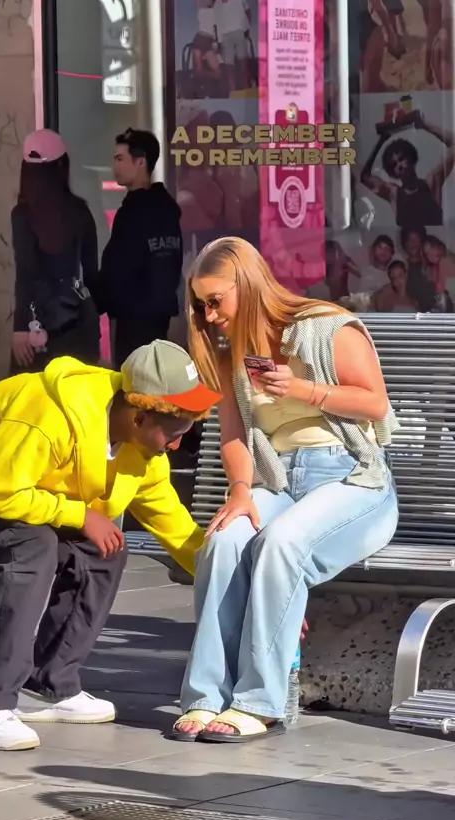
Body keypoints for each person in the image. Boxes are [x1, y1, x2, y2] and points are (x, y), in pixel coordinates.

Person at [171, 237, 399, 743]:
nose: (210, 316)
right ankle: (206, 696)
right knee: (225, 541)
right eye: (201, 306)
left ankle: (261, 701)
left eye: (216, 302)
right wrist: (239, 490)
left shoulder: (326, 326)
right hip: (278, 480)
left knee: (282, 543)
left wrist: (301, 389)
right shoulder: (232, 352)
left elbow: (376, 403)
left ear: (247, 285)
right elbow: (234, 436)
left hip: (352, 479)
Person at [0, 340, 221, 751]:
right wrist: (81, 515)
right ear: (140, 417)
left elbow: (178, 530)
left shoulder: (143, 453)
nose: (177, 446)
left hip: (28, 497)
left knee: (105, 549)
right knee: (32, 549)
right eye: (176, 434)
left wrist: (240, 588)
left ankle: (47, 684)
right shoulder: (47, 414)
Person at [11, 130, 101, 372]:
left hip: (37, 328)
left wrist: (20, 328)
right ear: (62, 167)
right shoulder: (81, 211)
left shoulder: (22, 215)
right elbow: (92, 275)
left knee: (32, 392)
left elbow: (26, 273)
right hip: (78, 323)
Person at [98, 128, 183, 369]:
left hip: (133, 320)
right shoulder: (167, 209)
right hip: (160, 317)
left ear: (141, 162)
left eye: (120, 158)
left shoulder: (134, 214)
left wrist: (99, 298)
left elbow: (118, 269)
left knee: (132, 381)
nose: (115, 166)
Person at [361, 113, 455, 228]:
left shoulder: (432, 182)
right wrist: (382, 139)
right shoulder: (394, 193)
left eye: (401, 159)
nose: (399, 165)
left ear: (411, 158)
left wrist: (425, 125)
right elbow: (365, 177)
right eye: (394, 165)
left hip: (435, 238)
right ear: (392, 171)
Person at [216, 0, 251, 92]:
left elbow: (247, 10)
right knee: (229, 65)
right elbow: (218, 23)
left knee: (243, 62)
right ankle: (233, 89)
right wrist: (219, 41)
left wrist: (247, 28)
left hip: (239, 31)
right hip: (225, 35)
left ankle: (247, 87)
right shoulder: (217, 4)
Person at [400, 226, 435, 312]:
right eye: (410, 240)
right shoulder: (401, 266)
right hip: (408, 315)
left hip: (433, 315)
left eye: (417, 240)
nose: (413, 244)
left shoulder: (432, 265)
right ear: (405, 243)